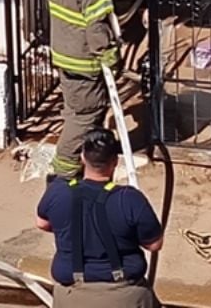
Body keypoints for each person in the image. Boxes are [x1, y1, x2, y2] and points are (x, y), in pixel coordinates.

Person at [36, 129, 164, 308]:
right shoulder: (129, 199)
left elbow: (42, 223)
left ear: (82, 157)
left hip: (72, 295)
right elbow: (154, 244)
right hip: (124, 295)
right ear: (115, 162)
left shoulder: (59, 192)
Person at [46, 0, 120, 179]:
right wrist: (110, 55)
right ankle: (62, 175)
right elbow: (96, 26)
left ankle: (85, 166)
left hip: (63, 55)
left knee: (74, 112)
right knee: (85, 116)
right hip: (84, 61)